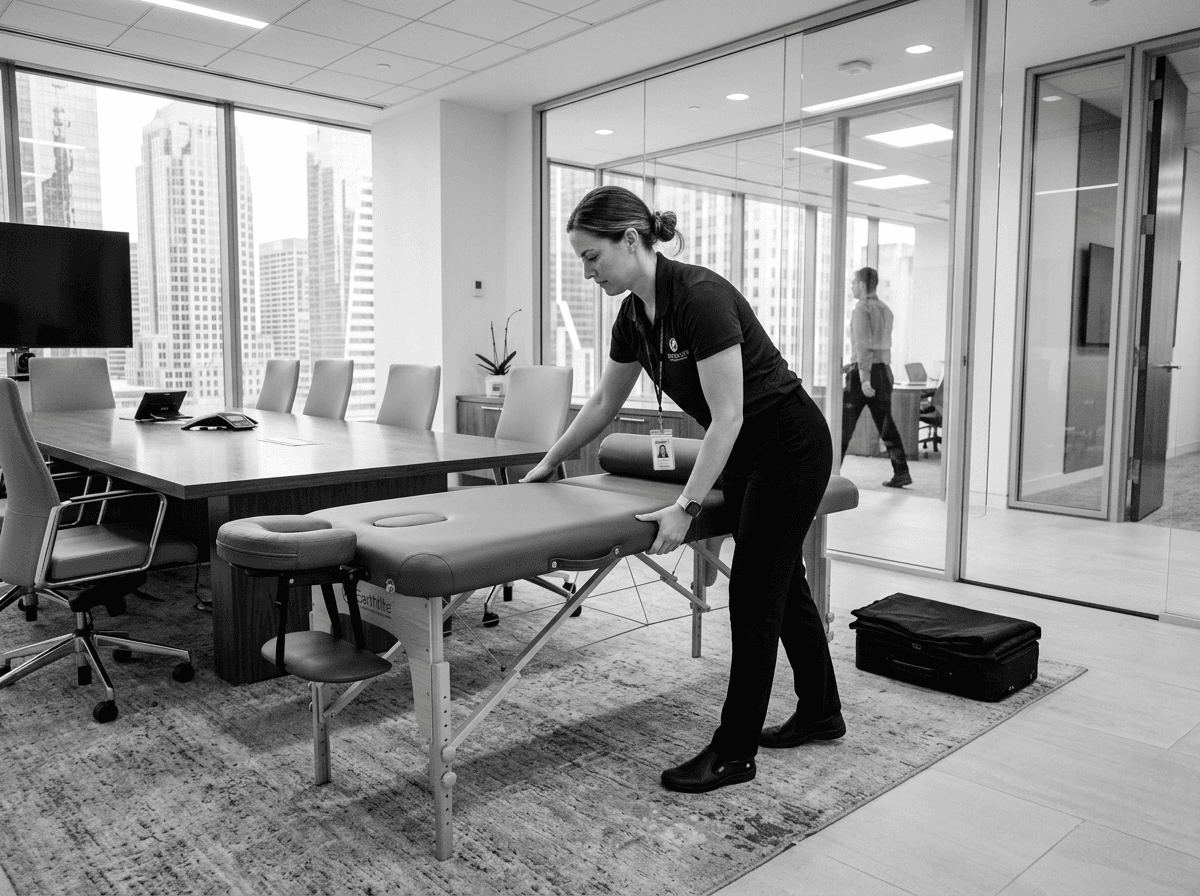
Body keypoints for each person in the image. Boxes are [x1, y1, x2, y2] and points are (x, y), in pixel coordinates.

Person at [521, 185, 843, 794]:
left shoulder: (700, 297)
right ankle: (822, 711)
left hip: (789, 444)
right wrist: (550, 460)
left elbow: (727, 417)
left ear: (632, 240)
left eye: (591, 256)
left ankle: (735, 750)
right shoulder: (633, 317)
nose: (586, 271)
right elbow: (602, 403)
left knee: (753, 596)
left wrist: (685, 506)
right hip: (748, 451)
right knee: (784, 585)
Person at [841, 267, 912, 489]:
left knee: (844, 426)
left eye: (853, 282)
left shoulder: (861, 310)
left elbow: (863, 346)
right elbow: (878, 346)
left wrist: (862, 377)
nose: (852, 286)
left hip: (866, 375)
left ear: (862, 284)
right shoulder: (885, 310)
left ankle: (829, 473)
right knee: (885, 423)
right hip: (884, 372)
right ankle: (902, 472)